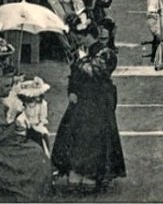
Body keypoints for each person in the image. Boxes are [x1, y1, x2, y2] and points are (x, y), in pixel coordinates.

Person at [52, 17, 126, 191]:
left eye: (80, 37)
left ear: (89, 35)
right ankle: (76, 172)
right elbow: (74, 75)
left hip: (98, 103)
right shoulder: (81, 52)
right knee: (75, 135)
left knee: (95, 138)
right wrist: (71, 91)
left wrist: (82, 60)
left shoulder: (106, 53)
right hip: (81, 101)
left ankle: (94, 175)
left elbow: (96, 74)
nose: (77, 40)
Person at [0, 63, 53, 200]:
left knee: (35, 148)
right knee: (35, 154)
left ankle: (34, 190)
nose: (9, 90)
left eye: (10, 86)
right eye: (6, 86)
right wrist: (15, 120)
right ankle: (28, 190)